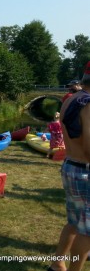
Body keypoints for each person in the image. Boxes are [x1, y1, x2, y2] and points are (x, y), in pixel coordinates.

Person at [48, 61, 90, 271]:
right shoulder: (89, 104)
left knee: (74, 222)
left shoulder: (70, 100)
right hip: (86, 170)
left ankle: (57, 264)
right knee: (87, 231)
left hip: (71, 165)